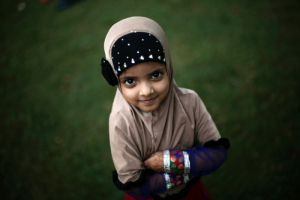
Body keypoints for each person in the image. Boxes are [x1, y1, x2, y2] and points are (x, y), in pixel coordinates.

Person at [101, 16, 230, 200]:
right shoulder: (121, 121)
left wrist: (168, 162)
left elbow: (217, 153)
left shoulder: (190, 102)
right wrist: (187, 170)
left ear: (168, 67)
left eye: (155, 75)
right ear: (116, 81)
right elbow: (134, 186)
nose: (146, 91)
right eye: (130, 81)